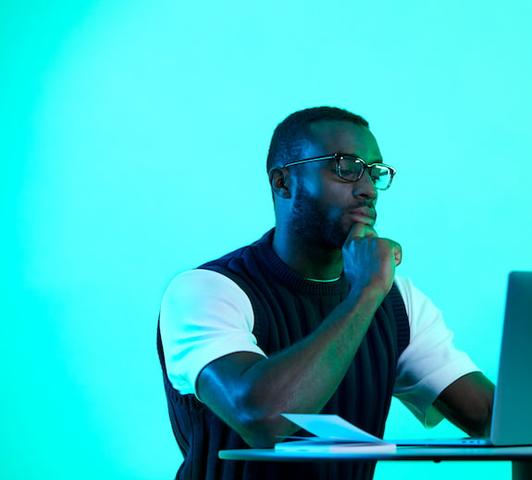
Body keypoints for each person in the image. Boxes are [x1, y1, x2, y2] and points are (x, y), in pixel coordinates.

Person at [157, 106, 495, 479]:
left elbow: (490, 417)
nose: (367, 189)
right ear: (282, 182)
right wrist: (365, 292)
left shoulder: (398, 301)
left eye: (373, 172)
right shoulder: (207, 290)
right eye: (345, 167)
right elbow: (260, 418)